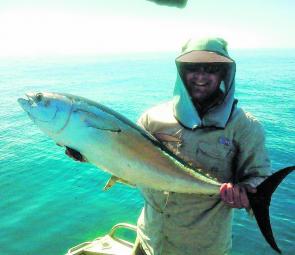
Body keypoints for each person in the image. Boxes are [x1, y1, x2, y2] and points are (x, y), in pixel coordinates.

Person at [66, 37, 271, 255]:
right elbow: (131, 169)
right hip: (148, 240)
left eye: (211, 68)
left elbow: (260, 178)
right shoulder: (152, 119)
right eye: (193, 67)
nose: (201, 76)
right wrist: (88, 154)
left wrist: (247, 193)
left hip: (202, 249)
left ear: (224, 73)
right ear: (182, 71)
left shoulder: (245, 126)